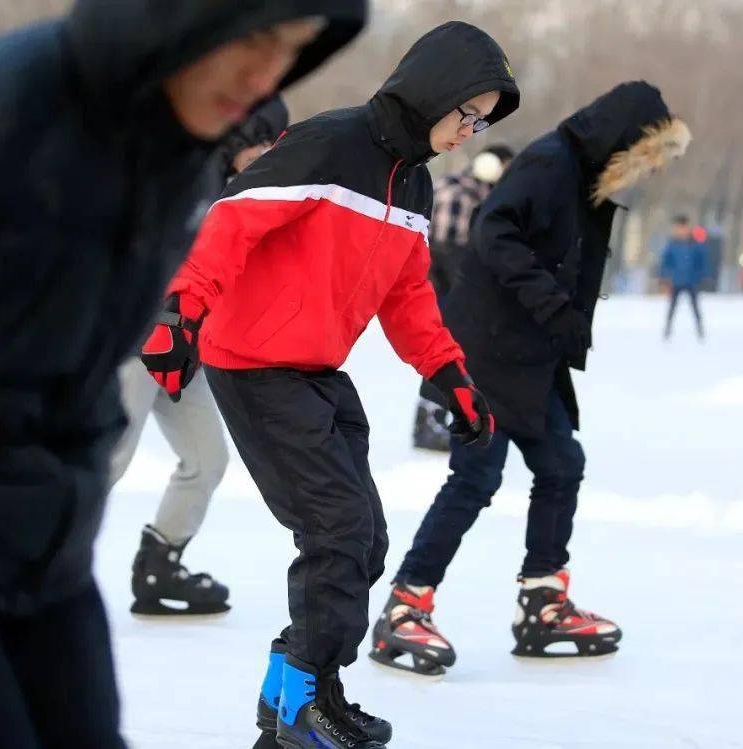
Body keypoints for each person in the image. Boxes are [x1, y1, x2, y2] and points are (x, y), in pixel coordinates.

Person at [0, 2, 366, 747]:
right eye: (252, 40)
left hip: (37, 534)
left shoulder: (176, 148)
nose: (266, 74)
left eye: (291, 50)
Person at [142, 21, 519, 749]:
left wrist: (448, 373)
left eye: (483, 121)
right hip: (253, 363)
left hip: (315, 369)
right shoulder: (331, 143)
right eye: (466, 112)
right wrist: (181, 309)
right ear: (434, 91)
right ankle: (299, 709)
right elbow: (232, 219)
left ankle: (302, 692)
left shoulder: (412, 181)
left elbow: (408, 295)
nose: (470, 131)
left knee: (364, 538)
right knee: (336, 532)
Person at [374, 82, 691, 675]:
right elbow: (494, 230)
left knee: (560, 464)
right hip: (491, 352)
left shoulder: (579, 171)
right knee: (475, 478)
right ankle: (404, 605)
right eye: (642, 158)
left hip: (526, 356)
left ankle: (542, 601)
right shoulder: (550, 163)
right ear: (621, 140)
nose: (640, 174)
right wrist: (552, 306)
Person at [113, 98, 290, 618]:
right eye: (263, 140)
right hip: (138, 334)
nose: (268, 153)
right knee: (108, 460)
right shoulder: (183, 179)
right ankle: (27, 565)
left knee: (207, 458)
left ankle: (160, 565)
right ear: (238, 136)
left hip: (181, 344)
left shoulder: (240, 191)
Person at [414, 144, 515, 451]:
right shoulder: (469, 195)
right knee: (446, 352)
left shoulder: (451, 184)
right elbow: (451, 250)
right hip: (452, 286)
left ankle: (437, 420)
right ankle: (431, 422)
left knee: (445, 353)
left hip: (435, 284)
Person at [660, 215, 708, 340]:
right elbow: (666, 262)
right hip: (676, 280)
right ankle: (667, 330)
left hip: (691, 281)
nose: (681, 230)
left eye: (683, 227)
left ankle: (700, 330)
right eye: (678, 228)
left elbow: (701, 262)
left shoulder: (694, 245)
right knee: (672, 307)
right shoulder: (672, 245)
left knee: (695, 307)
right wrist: (665, 278)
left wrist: (701, 276)